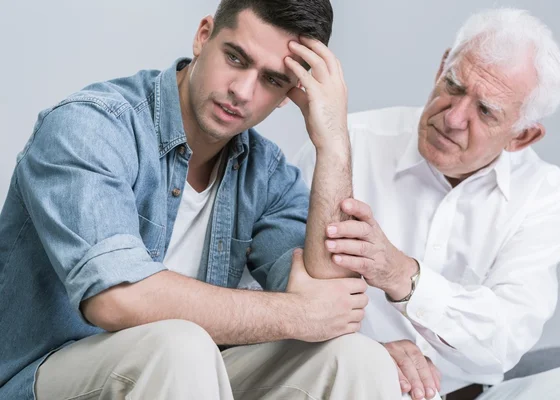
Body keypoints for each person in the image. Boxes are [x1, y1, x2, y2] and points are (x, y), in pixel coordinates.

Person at [0, 1, 404, 399]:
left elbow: (329, 302)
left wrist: (333, 141)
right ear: (203, 36)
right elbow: (116, 298)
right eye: (235, 57)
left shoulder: (267, 174)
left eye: (272, 80)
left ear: (289, 94)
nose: (242, 92)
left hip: (187, 377)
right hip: (43, 374)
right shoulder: (91, 126)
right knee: (179, 346)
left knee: (357, 358)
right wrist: (299, 313)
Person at [296, 8, 560, 400]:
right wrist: (364, 354)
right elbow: (278, 284)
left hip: (474, 394)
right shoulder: (349, 141)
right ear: (442, 67)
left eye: (486, 111)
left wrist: (404, 276)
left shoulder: (543, 193)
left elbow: (503, 341)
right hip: (366, 384)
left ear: (521, 137)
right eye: (454, 86)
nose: (454, 118)